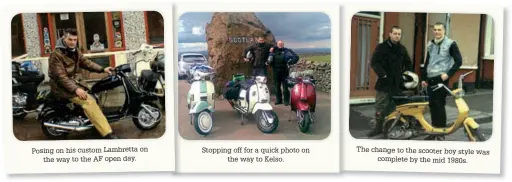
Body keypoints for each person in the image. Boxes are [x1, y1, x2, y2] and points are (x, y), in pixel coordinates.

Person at [48, 28, 121, 139]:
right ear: (64, 38)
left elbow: (86, 63)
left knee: (96, 95)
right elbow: (61, 77)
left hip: (73, 83)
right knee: (89, 102)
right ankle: (108, 135)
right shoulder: (56, 55)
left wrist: (102, 69)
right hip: (62, 88)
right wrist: (76, 89)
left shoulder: (74, 50)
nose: (73, 42)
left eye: (75, 40)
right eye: (70, 39)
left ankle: (96, 125)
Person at [367, 26, 413, 138]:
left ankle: (389, 128)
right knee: (380, 106)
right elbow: (374, 62)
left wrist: (404, 76)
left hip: (397, 84)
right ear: (390, 34)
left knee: (393, 108)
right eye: (395, 33)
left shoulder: (402, 49)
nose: (397, 36)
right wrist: (383, 74)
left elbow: (408, 64)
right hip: (384, 82)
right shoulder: (381, 47)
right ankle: (378, 128)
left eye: (399, 34)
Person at [421, 22, 463, 140]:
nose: (437, 32)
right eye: (435, 30)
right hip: (430, 79)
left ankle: (441, 134)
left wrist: (448, 74)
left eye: (439, 30)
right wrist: (424, 78)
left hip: (441, 79)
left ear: (444, 31)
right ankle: (434, 132)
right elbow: (427, 62)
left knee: (439, 105)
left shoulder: (451, 44)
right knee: (432, 105)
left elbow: (458, 61)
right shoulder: (430, 44)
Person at [268, 40, 299, 105]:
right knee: (277, 87)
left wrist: (291, 62)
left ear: (283, 44)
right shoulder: (273, 51)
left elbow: (296, 57)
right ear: (277, 44)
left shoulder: (287, 50)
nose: (280, 45)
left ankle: (286, 100)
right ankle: (278, 100)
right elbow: (269, 59)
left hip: (284, 72)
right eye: (279, 44)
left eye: (281, 44)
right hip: (276, 72)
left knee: (285, 87)